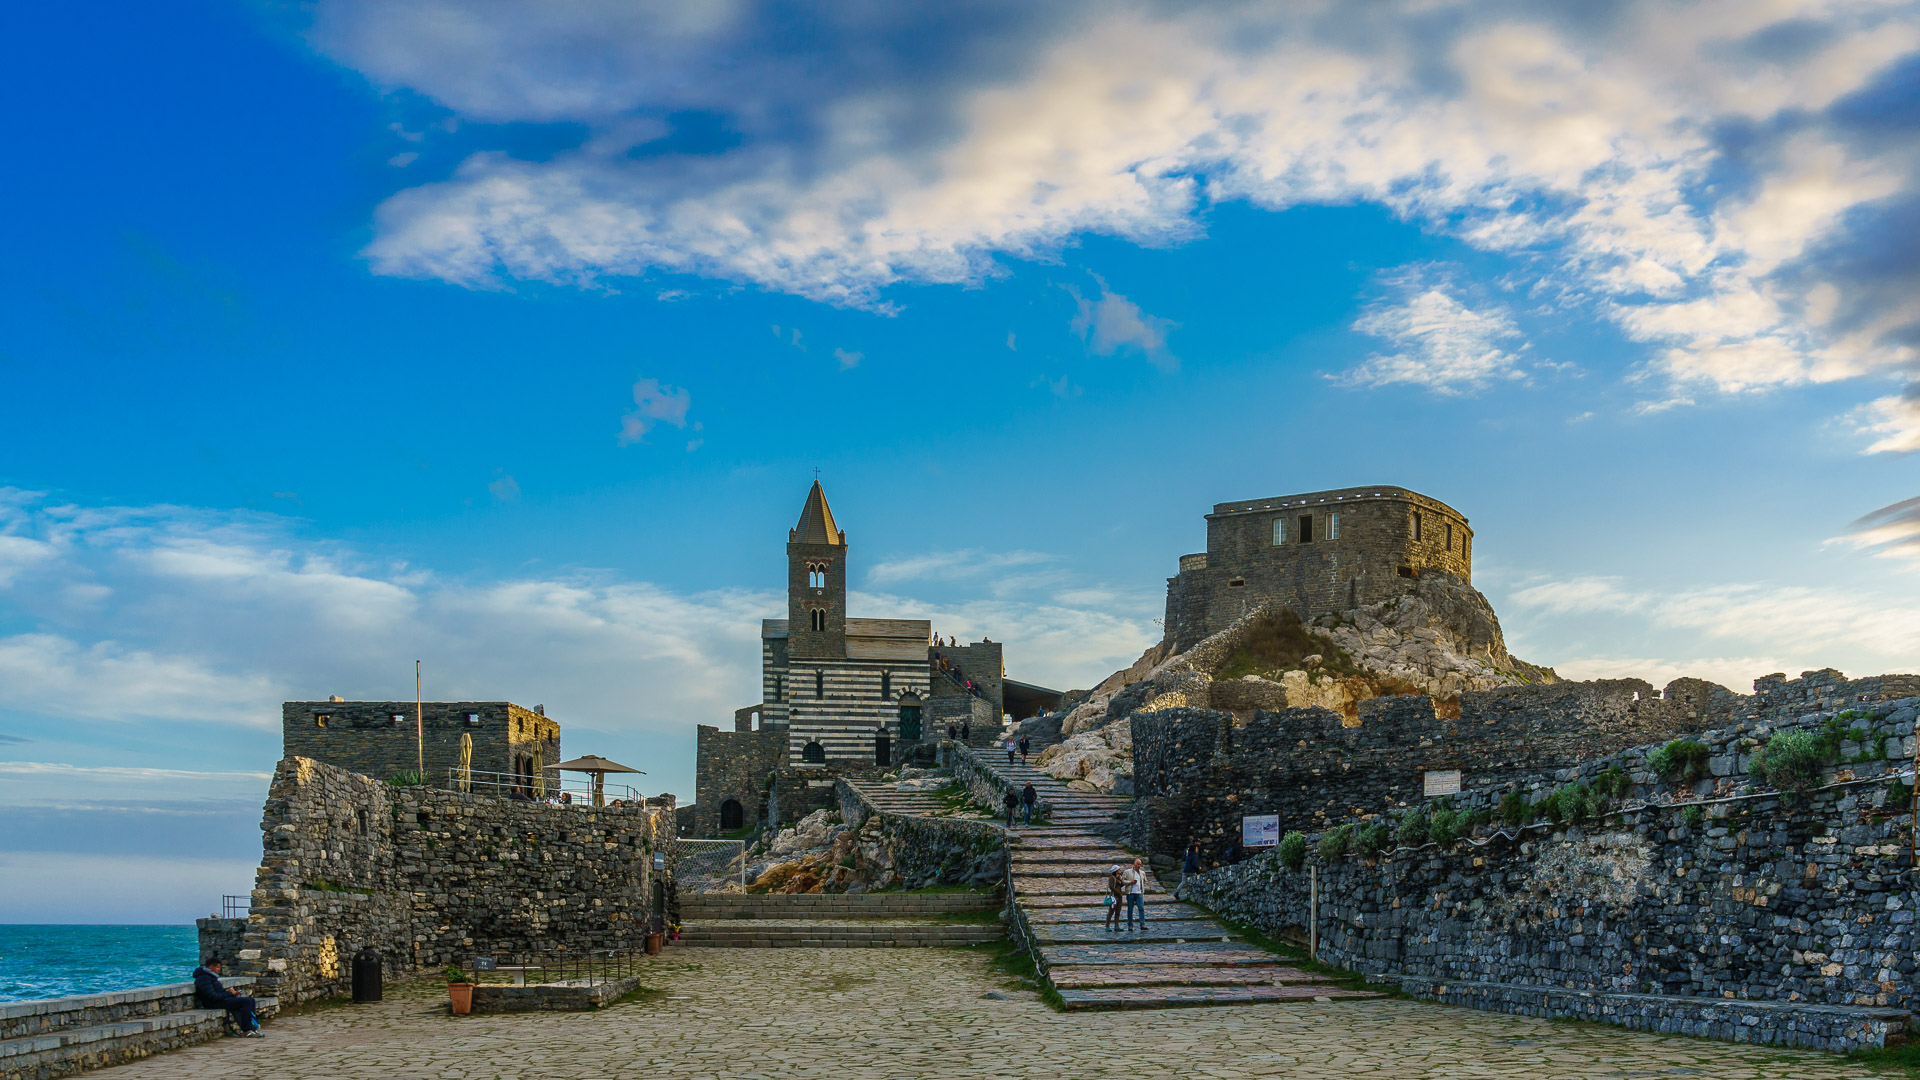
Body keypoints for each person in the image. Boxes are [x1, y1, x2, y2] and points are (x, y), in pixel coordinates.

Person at [193, 956, 263, 1037]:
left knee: (251, 1000)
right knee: (246, 1002)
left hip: (220, 1000)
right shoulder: (204, 978)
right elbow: (213, 996)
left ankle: (253, 1025)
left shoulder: (211, 977)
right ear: (211, 967)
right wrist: (229, 993)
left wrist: (232, 993)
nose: (219, 969)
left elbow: (218, 993)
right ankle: (247, 1030)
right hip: (213, 1003)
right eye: (218, 967)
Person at [1123, 857, 1148, 931]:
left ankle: (1142, 924)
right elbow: (1123, 881)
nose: (1139, 865)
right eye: (1137, 864)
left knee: (1141, 908)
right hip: (1130, 893)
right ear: (1134, 864)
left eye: (1140, 864)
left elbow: (1144, 881)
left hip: (1139, 893)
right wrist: (1131, 882)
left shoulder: (1142, 873)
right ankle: (1130, 925)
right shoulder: (1127, 872)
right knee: (1130, 909)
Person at [1104, 864, 1126, 932]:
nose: (1120, 870)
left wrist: (1121, 879)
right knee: (1111, 911)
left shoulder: (1119, 877)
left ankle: (1116, 926)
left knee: (1118, 911)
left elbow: (1122, 884)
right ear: (1116, 871)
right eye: (1119, 869)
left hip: (1119, 896)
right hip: (1114, 896)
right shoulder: (1112, 878)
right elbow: (1111, 887)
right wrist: (1118, 892)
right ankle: (1107, 926)